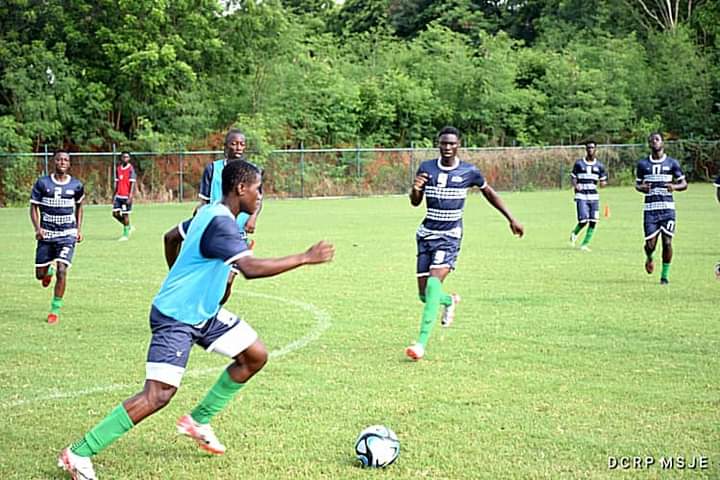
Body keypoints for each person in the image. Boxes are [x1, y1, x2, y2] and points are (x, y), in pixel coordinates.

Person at [58, 160, 334, 480]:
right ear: (241, 188)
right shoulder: (222, 224)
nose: (261, 196)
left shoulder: (209, 213)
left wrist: (179, 274)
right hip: (176, 317)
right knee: (158, 394)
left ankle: (198, 421)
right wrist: (304, 257)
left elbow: (170, 237)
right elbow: (251, 269)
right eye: (258, 189)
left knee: (254, 355)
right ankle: (78, 452)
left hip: (203, 313)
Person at [405, 126, 524, 361]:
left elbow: (489, 193)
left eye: (452, 143)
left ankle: (420, 344)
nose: (447, 147)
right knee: (424, 295)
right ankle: (449, 301)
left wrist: (511, 218)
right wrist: (415, 189)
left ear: (459, 144)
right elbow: (415, 203)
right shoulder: (426, 168)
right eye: (443, 143)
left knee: (432, 284)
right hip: (426, 234)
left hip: (450, 237)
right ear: (438, 145)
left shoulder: (469, 171)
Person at [29, 150, 84, 324]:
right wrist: (38, 229)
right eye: (59, 159)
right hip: (47, 234)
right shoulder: (42, 183)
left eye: (65, 160)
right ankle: (47, 272)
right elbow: (33, 208)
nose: (62, 162)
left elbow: (80, 207)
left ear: (69, 164)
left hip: (67, 234)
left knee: (63, 269)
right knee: (40, 275)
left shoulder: (76, 185)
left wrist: (78, 229)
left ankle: (54, 310)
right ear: (54, 162)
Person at [635, 132, 687, 285]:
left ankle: (664, 276)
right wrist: (642, 188)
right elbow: (637, 184)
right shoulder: (643, 164)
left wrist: (675, 187)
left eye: (657, 139)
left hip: (667, 210)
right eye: (651, 140)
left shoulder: (672, 163)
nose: (654, 142)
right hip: (650, 210)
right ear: (649, 144)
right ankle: (649, 257)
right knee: (650, 245)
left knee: (667, 243)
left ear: (663, 142)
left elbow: (684, 184)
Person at [198, 128, 262, 245]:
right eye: (234, 144)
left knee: (238, 260)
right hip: (216, 223)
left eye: (242, 144)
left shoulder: (252, 171)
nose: (238, 147)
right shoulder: (212, 169)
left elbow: (258, 199)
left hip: (240, 226)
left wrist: (253, 218)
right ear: (225, 146)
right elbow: (204, 201)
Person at [569, 141, 607, 251]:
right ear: (586, 149)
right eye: (588, 147)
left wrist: (603, 183)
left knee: (593, 221)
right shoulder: (579, 164)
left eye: (592, 148)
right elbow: (573, 176)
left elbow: (603, 180)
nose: (590, 149)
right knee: (583, 220)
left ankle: (584, 244)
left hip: (594, 197)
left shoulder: (599, 166)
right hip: (581, 196)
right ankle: (574, 233)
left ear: (596, 150)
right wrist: (576, 185)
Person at [111, 151, 136, 241]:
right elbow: (117, 183)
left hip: (126, 196)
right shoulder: (118, 169)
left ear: (129, 159)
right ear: (121, 158)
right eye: (124, 157)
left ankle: (125, 235)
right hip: (119, 196)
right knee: (115, 214)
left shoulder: (131, 169)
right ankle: (128, 226)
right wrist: (114, 195)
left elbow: (132, 183)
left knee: (125, 215)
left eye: (127, 157)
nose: (125, 158)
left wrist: (130, 195)